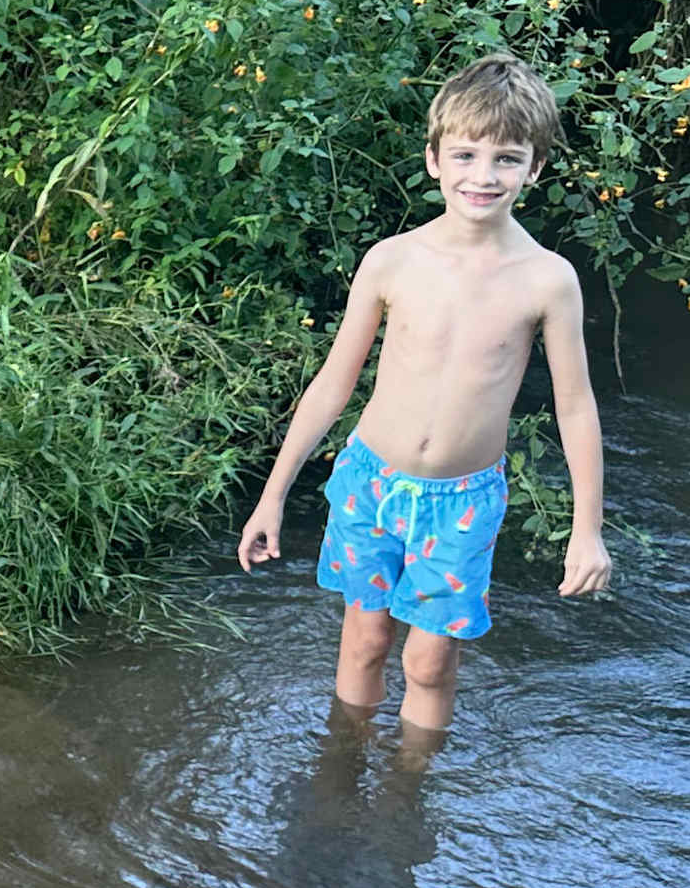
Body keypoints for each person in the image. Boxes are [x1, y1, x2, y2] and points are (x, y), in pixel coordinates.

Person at [237, 54, 614, 732]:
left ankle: (408, 793)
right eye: (466, 154)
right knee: (364, 641)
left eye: (506, 158)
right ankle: (341, 770)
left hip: (462, 500)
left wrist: (586, 531)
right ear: (435, 159)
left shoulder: (547, 280)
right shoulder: (392, 260)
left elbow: (576, 406)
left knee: (430, 664)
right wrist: (273, 494)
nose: (483, 175)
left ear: (535, 168)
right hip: (369, 482)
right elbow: (333, 384)